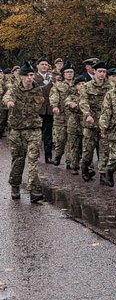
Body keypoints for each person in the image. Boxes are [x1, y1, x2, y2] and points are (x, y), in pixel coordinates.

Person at [3, 61, 45, 201]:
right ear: (21, 77)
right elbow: (7, 96)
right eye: (26, 75)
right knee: (18, 160)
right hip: (17, 130)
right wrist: (9, 102)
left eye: (31, 75)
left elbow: (41, 101)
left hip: (33, 129)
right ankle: (15, 185)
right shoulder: (14, 88)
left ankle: (34, 190)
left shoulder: (37, 89)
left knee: (33, 159)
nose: (29, 78)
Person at [78, 61, 110, 180]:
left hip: (104, 124)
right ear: (95, 71)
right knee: (88, 151)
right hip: (90, 124)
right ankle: (85, 168)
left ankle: (102, 174)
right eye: (100, 71)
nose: (102, 74)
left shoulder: (110, 86)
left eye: (104, 72)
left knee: (104, 150)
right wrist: (87, 115)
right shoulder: (87, 86)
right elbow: (83, 102)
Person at [49, 62, 75, 165]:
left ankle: (70, 162)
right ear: (63, 74)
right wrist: (55, 106)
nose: (69, 74)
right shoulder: (58, 85)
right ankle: (58, 155)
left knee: (71, 140)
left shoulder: (78, 85)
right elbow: (53, 96)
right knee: (60, 140)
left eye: (71, 72)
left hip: (73, 117)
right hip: (61, 117)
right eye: (67, 72)